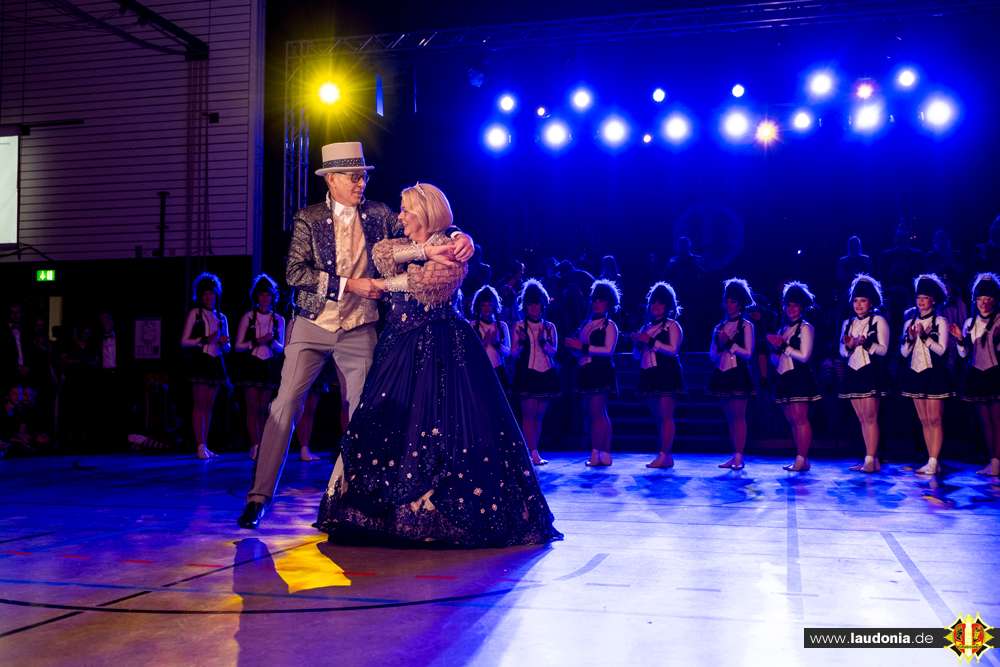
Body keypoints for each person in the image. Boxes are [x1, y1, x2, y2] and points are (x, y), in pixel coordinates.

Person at [238, 142, 473, 529]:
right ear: (331, 179)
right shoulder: (308, 219)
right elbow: (295, 273)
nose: (361, 183)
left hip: (359, 327)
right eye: (353, 177)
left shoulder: (377, 214)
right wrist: (348, 284)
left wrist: (461, 235)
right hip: (313, 324)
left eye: (363, 176)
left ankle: (356, 498)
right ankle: (259, 497)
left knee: (367, 412)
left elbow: (423, 224)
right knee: (285, 404)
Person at [315, 182, 561, 547]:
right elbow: (381, 253)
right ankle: (380, 516)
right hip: (398, 348)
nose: (400, 216)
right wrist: (425, 249)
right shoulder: (404, 243)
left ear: (426, 213)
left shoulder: (455, 252)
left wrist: (387, 282)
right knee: (386, 423)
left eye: (406, 210)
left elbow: (426, 284)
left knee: (442, 427)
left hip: (442, 350)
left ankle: (431, 515)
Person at [899, 274, 953, 476]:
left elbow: (942, 350)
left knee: (935, 419)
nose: (921, 302)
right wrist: (912, 339)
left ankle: (934, 460)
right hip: (915, 374)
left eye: (925, 298)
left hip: (935, 374)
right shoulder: (909, 322)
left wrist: (924, 337)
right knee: (924, 420)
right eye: (918, 298)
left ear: (933, 300)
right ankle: (931, 460)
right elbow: (904, 353)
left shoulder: (940, 321)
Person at [565, 279, 621, 467]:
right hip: (586, 370)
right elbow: (582, 350)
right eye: (595, 299)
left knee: (598, 412)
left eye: (601, 300)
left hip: (600, 370)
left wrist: (582, 347)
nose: (597, 303)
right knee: (595, 413)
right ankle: (602, 452)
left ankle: (599, 451)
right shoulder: (586, 324)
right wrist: (573, 347)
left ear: (609, 303)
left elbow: (608, 350)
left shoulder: (610, 325)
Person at [838, 274, 891, 473]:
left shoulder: (878, 320)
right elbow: (842, 351)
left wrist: (867, 343)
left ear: (871, 302)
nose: (859, 305)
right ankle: (870, 458)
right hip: (853, 372)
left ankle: (871, 459)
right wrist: (850, 345)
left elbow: (884, 350)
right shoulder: (848, 323)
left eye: (863, 301)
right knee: (862, 419)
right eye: (856, 301)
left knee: (871, 418)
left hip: (871, 372)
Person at [767, 282, 821, 472]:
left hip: (799, 377)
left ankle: (802, 458)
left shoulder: (806, 328)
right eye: (788, 305)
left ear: (802, 307)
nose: (791, 309)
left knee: (800, 419)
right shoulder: (782, 329)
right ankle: (801, 458)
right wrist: (775, 350)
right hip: (784, 378)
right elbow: (776, 360)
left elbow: (804, 356)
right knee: (792, 420)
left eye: (795, 305)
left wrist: (784, 347)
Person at [631, 282, 684, 469]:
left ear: (668, 305)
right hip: (648, 373)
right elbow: (636, 356)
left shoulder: (672, 325)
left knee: (666, 416)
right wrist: (638, 344)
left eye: (660, 303)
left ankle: (665, 454)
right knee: (658, 417)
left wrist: (651, 341)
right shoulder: (645, 327)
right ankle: (664, 454)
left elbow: (673, 349)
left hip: (667, 372)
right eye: (654, 302)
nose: (656, 306)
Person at [952, 273, 1000, 476]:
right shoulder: (970, 323)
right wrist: (959, 340)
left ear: (995, 300)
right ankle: (993, 461)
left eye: (988, 299)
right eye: (980, 299)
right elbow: (964, 354)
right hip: (977, 375)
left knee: (997, 421)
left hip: (995, 374)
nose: (984, 303)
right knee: (985, 422)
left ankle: (997, 461)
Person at [234, 274, 286, 461]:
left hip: (269, 365)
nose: (265, 298)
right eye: (262, 294)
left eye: (268, 294)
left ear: (273, 297)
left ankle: (263, 444)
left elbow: (282, 348)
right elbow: (238, 346)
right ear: (256, 296)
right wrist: (256, 341)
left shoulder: (278, 319)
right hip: (252, 364)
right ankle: (254, 444)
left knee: (265, 408)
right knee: (252, 407)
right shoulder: (248, 317)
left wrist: (270, 341)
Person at [180, 273, 230, 459]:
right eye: (206, 293)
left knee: (209, 406)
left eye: (212, 293)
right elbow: (184, 341)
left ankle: (205, 444)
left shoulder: (222, 317)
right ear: (201, 295)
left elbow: (228, 347)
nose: (209, 296)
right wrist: (204, 339)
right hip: (201, 361)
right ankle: (199, 444)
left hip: (216, 362)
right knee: (199, 404)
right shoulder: (195, 314)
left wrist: (224, 342)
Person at [511, 279, 560, 466]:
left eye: (537, 303)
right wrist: (522, 342)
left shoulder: (549, 327)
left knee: (539, 416)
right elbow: (513, 354)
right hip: (527, 373)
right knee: (528, 415)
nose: (534, 307)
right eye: (531, 303)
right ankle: (530, 453)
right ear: (526, 305)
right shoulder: (518, 326)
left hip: (546, 373)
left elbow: (554, 352)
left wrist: (543, 342)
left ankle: (534, 451)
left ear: (542, 305)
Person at [708, 278, 756, 470]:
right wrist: (720, 346)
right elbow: (712, 355)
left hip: (739, 374)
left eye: (733, 301)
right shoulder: (719, 327)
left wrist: (729, 343)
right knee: (729, 417)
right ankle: (734, 454)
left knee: (738, 416)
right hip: (722, 373)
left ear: (740, 303)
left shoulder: (746, 326)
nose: (729, 305)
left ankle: (739, 455)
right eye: (727, 301)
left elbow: (748, 353)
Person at [468, 285, 510, 390]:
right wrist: (484, 343)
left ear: (494, 306)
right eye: (483, 305)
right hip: (480, 371)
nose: (487, 309)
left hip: (499, 372)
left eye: (489, 305)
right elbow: (469, 353)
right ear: (478, 306)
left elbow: (508, 352)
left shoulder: (502, 326)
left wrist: (497, 344)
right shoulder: (472, 326)